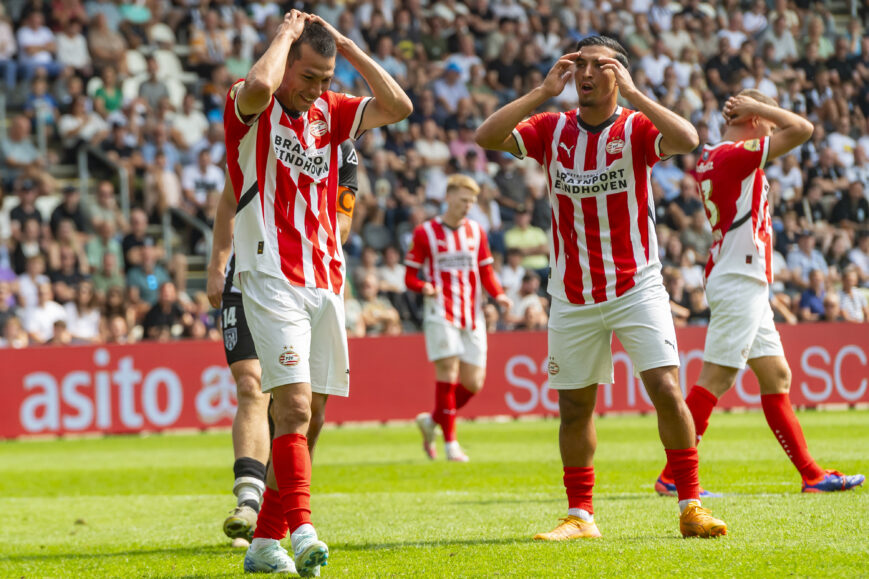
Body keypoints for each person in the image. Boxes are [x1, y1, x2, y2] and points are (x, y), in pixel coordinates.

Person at [475, 35, 726, 540]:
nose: (585, 73)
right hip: (572, 293)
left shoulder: (634, 127)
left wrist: (636, 95)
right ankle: (580, 516)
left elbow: (688, 138)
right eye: (579, 64)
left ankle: (691, 505)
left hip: (637, 286)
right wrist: (542, 92)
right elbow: (487, 136)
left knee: (666, 391)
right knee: (574, 407)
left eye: (599, 65)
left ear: (618, 75)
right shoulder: (553, 128)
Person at [220, 12, 411, 575]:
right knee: (294, 405)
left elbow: (399, 107)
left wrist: (348, 48)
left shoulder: (333, 112)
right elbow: (259, 85)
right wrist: (283, 35)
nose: (317, 89)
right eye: (308, 76)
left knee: (314, 417)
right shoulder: (250, 107)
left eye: (326, 78)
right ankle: (302, 527)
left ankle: (263, 543)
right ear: (286, 66)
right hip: (269, 273)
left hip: (326, 277)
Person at [654, 90, 863, 496]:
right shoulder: (734, 154)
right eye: (767, 123)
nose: (773, 129)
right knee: (716, 378)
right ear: (753, 121)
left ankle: (812, 475)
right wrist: (760, 108)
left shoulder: (717, 156)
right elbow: (802, 129)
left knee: (776, 375)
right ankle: (672, 476)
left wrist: (756, 110)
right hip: (739, 278)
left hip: (743, 278)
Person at [207, 140, 359, 549]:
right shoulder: (265, 132)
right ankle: (249, 499)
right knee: (251, 385)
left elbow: (343, 223)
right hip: (250, 277)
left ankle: (272, 522)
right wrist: (218, 264)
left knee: (307, 412)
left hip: (310, 279)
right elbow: (228, 199)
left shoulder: (344, 152)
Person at [405, 175, 512, 462]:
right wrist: (423, 286)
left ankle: (432, 421)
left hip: (472, 313)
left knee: (474, 382)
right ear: (449, 196)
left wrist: (499, 295)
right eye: (464, 200)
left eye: (472, 202)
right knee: (448, 373)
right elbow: (409, 276)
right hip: (440, 311)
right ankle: (451, 443)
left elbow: (486, 272)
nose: (468, 206)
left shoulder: (477, 232)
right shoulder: (425, 232)